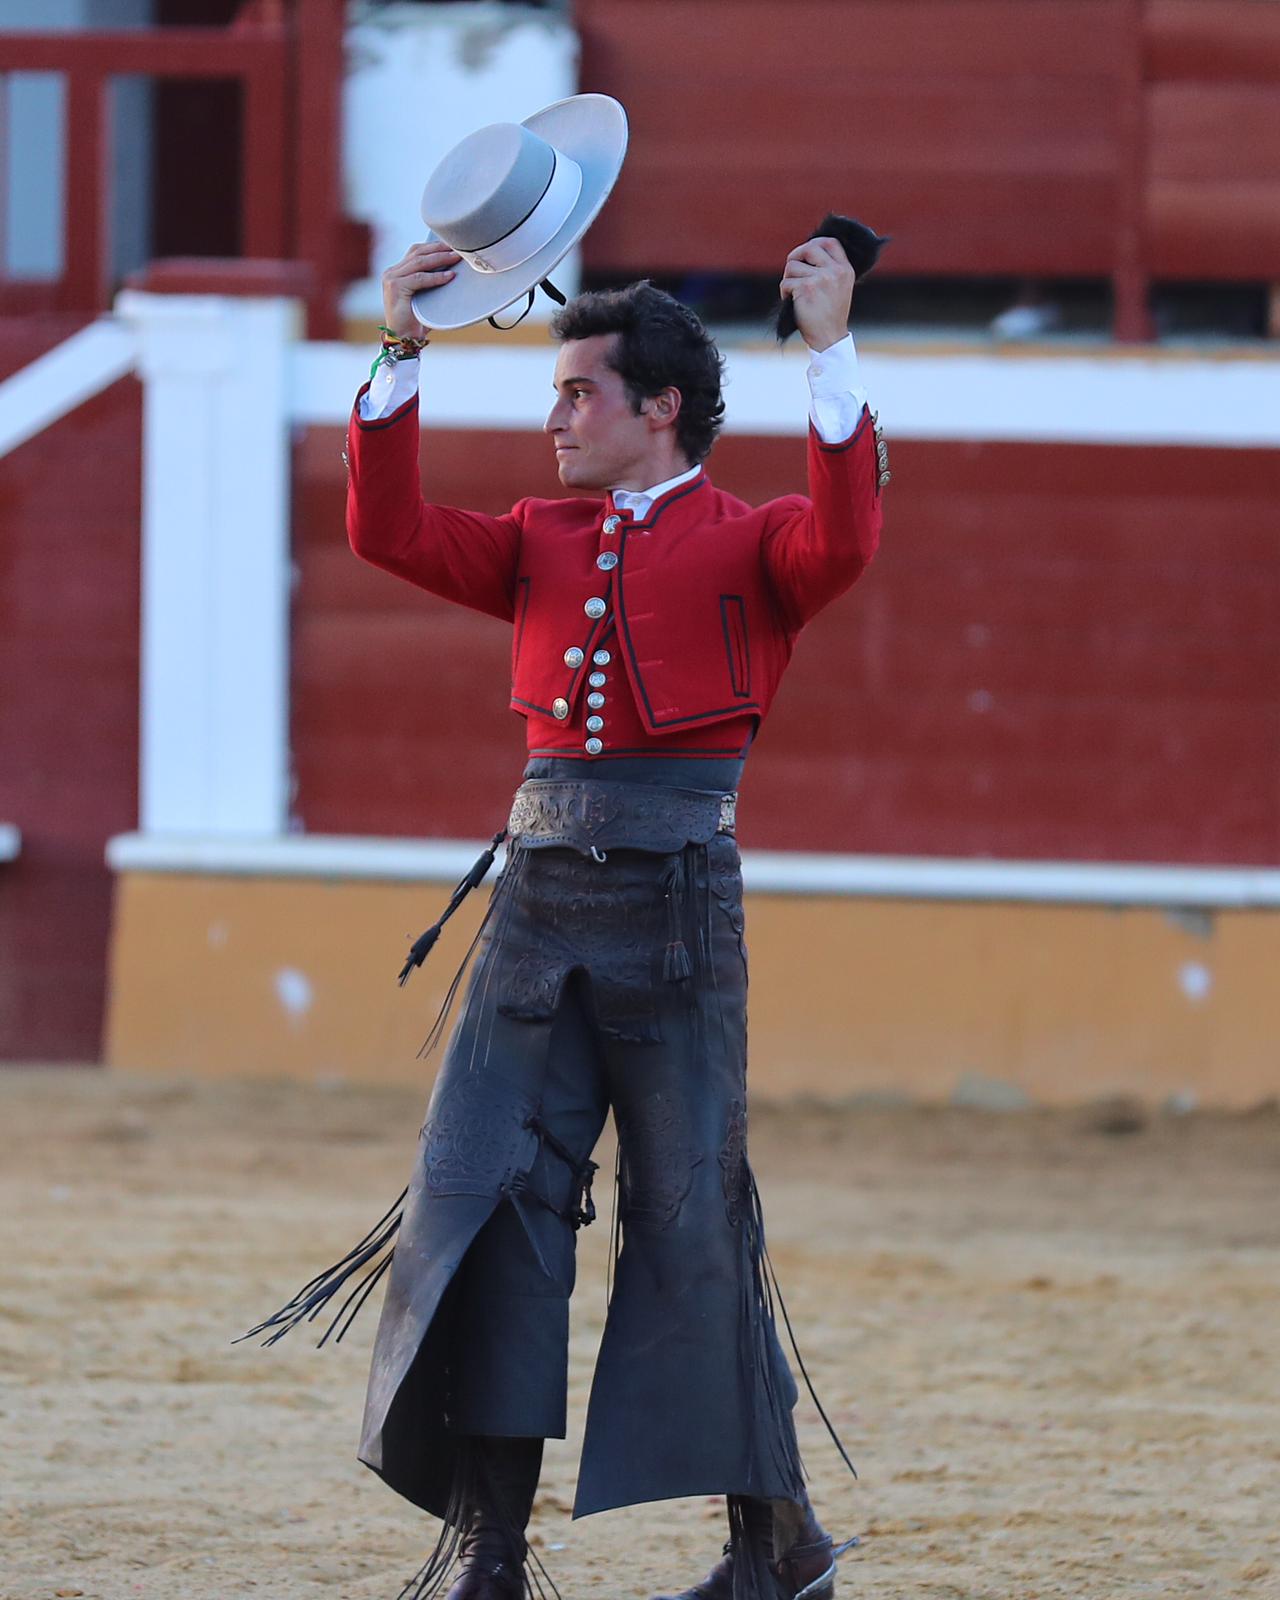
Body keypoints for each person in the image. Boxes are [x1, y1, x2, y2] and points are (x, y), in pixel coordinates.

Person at [259, 227, 886, 1600]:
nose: (553, 419)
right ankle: (490, 1551)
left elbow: (846, 533)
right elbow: (385, 529)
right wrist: (399, 344)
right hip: (538, 908)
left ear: (658, 409)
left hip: (673, 908)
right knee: (491, 1207)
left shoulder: (757, 541)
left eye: (577, 395)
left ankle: (772, 1550)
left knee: (693, 1219)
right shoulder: (537, 538)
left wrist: (831, 348)